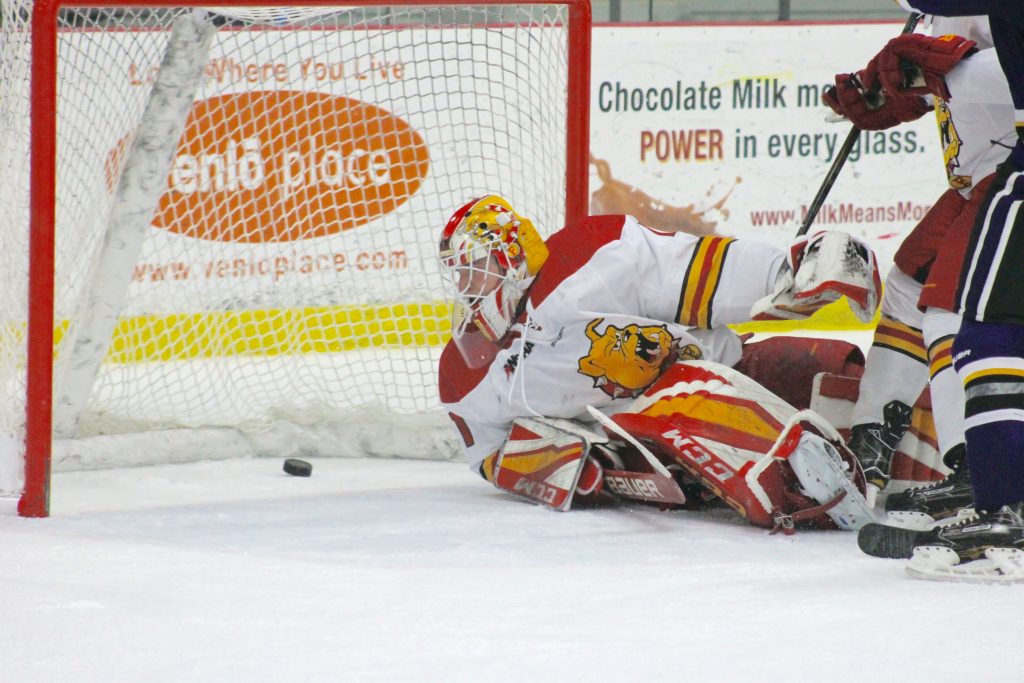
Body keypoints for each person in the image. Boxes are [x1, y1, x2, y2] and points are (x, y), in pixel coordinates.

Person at [436, 194, 880, 531]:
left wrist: (785, 273)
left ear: (510, 257)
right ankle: (800, 481)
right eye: (458, 276)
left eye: (473, 269)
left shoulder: (591, 257)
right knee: (690, 396)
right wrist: (573, 465)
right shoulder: (467, 372)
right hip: (654, 431)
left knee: (841, 381)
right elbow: (491, 455)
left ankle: (892, 464)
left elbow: (691, 272)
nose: (466, 287)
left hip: (736, 368)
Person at [839, 1, 1024, 581]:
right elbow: (926, 79)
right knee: (910, 283)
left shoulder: (979, 12)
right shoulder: (939, 18)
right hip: (975, 181)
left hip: (1002, 172)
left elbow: (995, 74)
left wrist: (933, 72)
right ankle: (881, 440)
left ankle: (979, 468)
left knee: (957, 308)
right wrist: (882, 94)